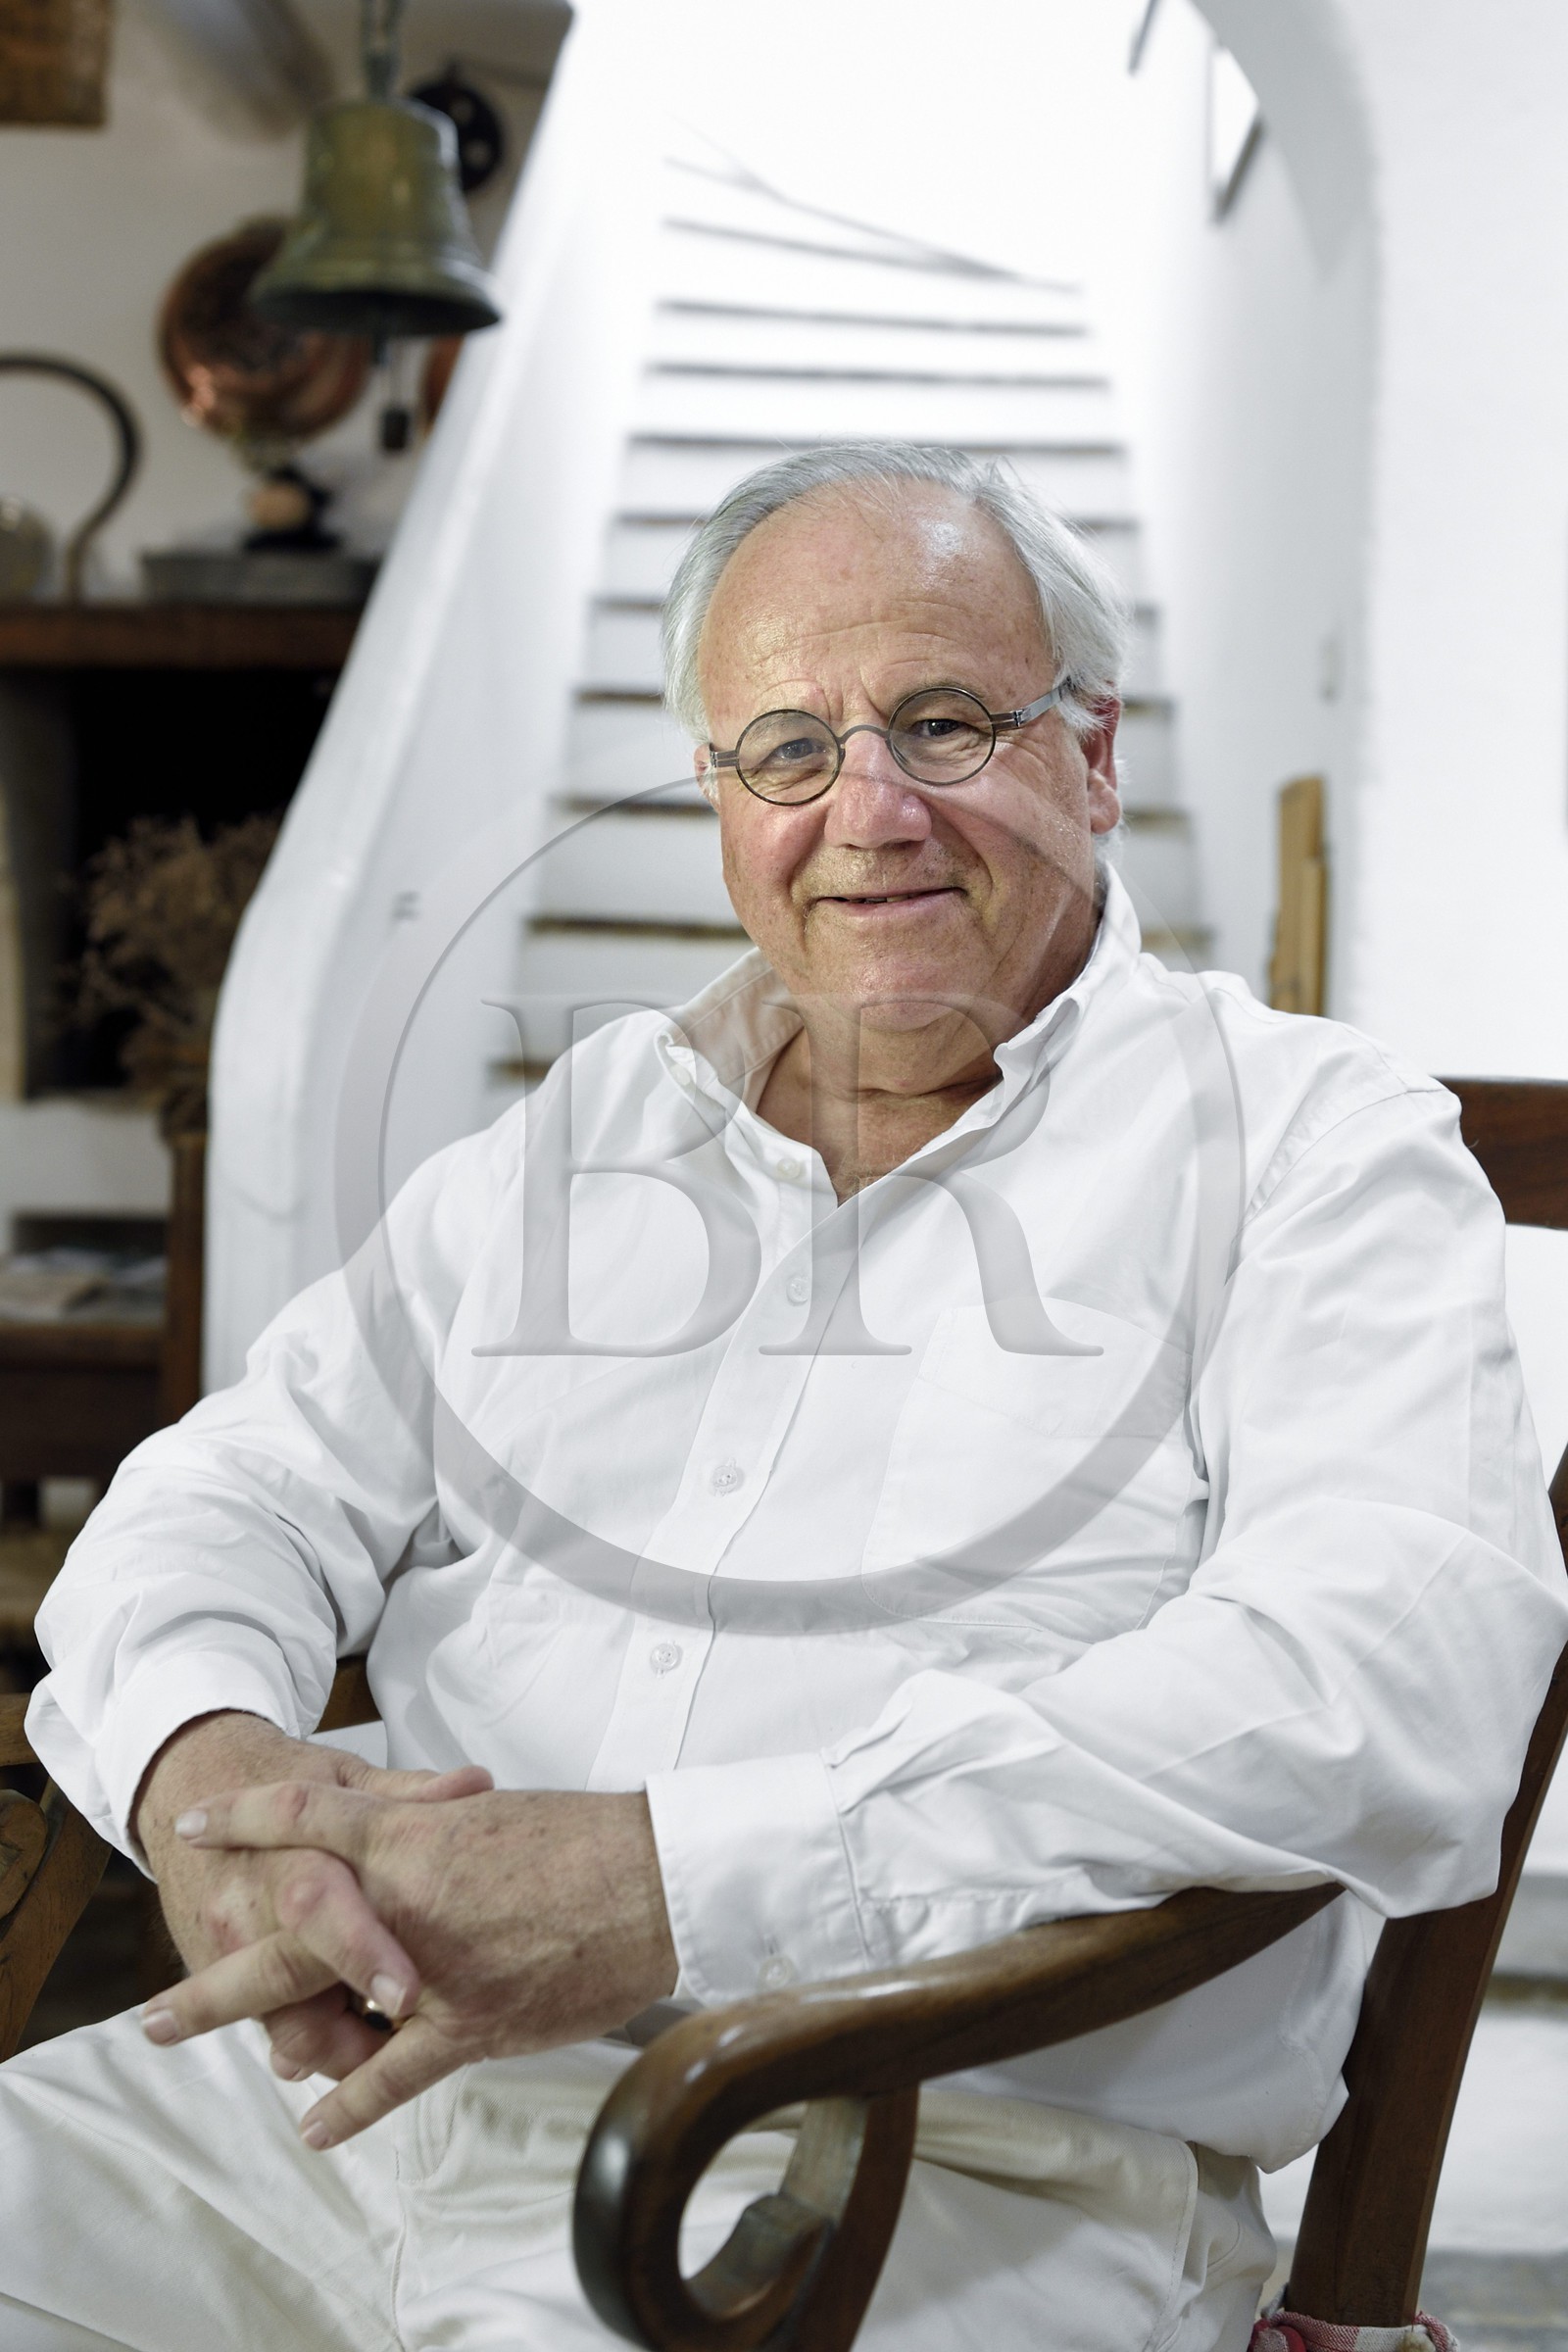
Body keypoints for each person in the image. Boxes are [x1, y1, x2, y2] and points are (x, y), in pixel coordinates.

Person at [3, 441, 1562, 2352]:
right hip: (331, 2108)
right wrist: (206, 1769)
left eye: (940, 721)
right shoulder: (589, 1132)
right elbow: (234, 1484)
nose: (868, 812)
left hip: (914, 2166)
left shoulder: (1309, 1146)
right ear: (720, 803)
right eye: (785, 751)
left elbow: (1383, 1680)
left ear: (1093, 756)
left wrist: (668, 1885)